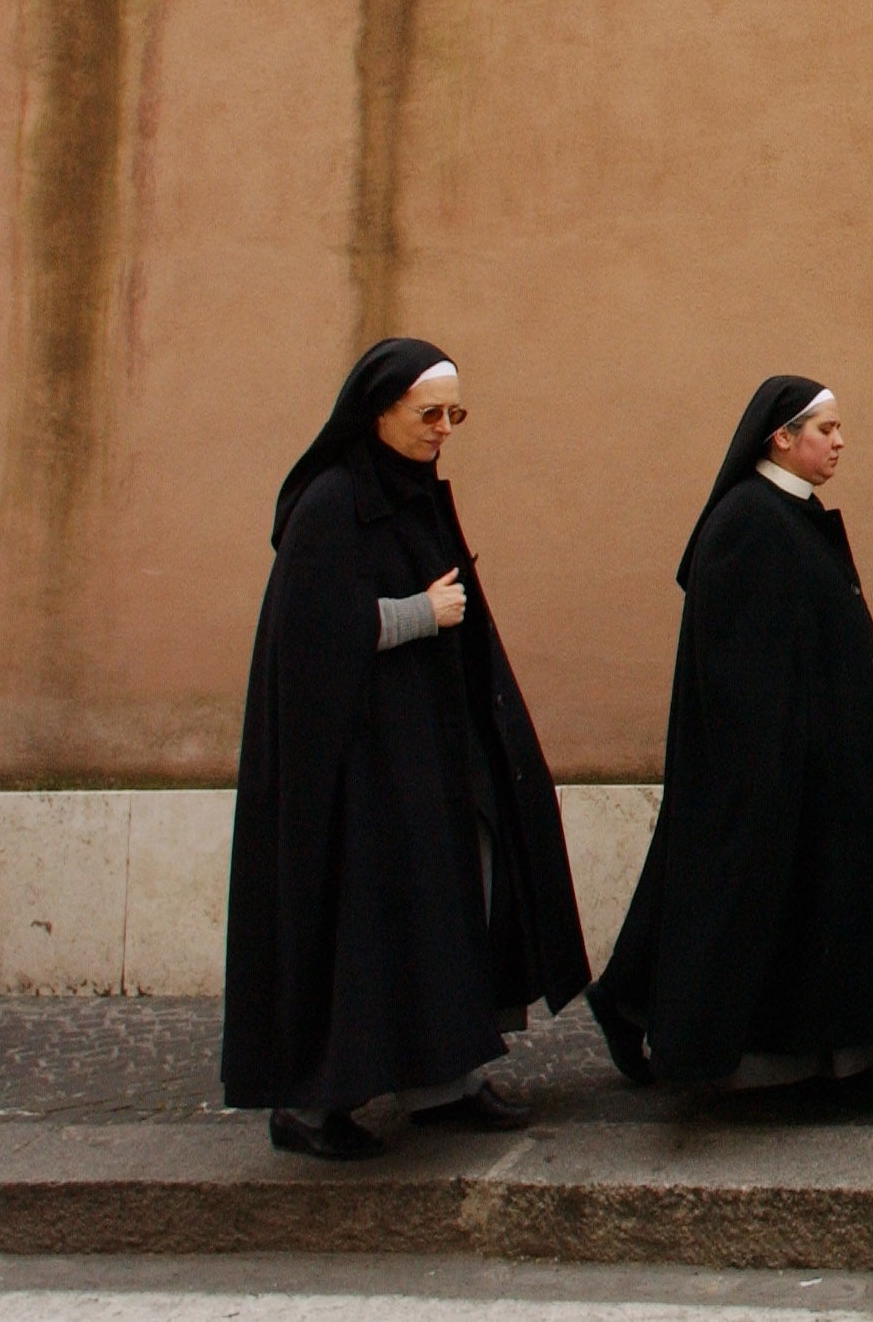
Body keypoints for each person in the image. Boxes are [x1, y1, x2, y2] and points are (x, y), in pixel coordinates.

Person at [222, 338, 590, 1160]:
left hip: (424, 751)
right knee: (361, 926)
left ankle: (443, 1080)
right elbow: (310, 638)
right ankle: (312, 1105)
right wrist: (418, 615)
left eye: (455, 414)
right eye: (429, 414)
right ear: (376, 412)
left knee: (441, 909)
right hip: (354, 772)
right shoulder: (331, 502)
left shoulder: (412, 492)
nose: (443, 429)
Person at [586, 377, 873, 1110]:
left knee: (817, 908)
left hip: (824, 762)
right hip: (783, 772)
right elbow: (742, 671)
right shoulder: (748, 522)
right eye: (826, 429)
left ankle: (811, 1052)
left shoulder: (788, 512)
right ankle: (788, 1070)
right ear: (781, 438)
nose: (840, 442)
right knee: (770, 914)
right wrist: (780, 769)